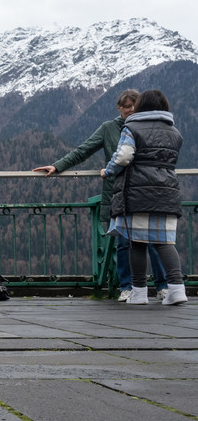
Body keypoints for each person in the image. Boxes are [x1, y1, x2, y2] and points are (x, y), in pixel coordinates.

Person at [33, 89, 168, 302]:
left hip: (143, 191)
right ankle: (126, 287)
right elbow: (83, 150)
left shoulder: (144, 127)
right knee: (123, 242)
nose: (130, 110)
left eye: (134, 105)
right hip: (119, 194)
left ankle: (162, 286)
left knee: (152, 240)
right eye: (126, 106)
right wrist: (58, 166)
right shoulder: (108, 129)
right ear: (119, 108)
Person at [100, 89, 188, 305]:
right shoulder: (174, 131)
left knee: (136, 243)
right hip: (167, 191)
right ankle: (177, 289)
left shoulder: (131, 127)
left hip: (137, 192)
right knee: (165, 242)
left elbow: (123, 156)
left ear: (140, 106)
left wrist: (108, 170)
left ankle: (138, 293)